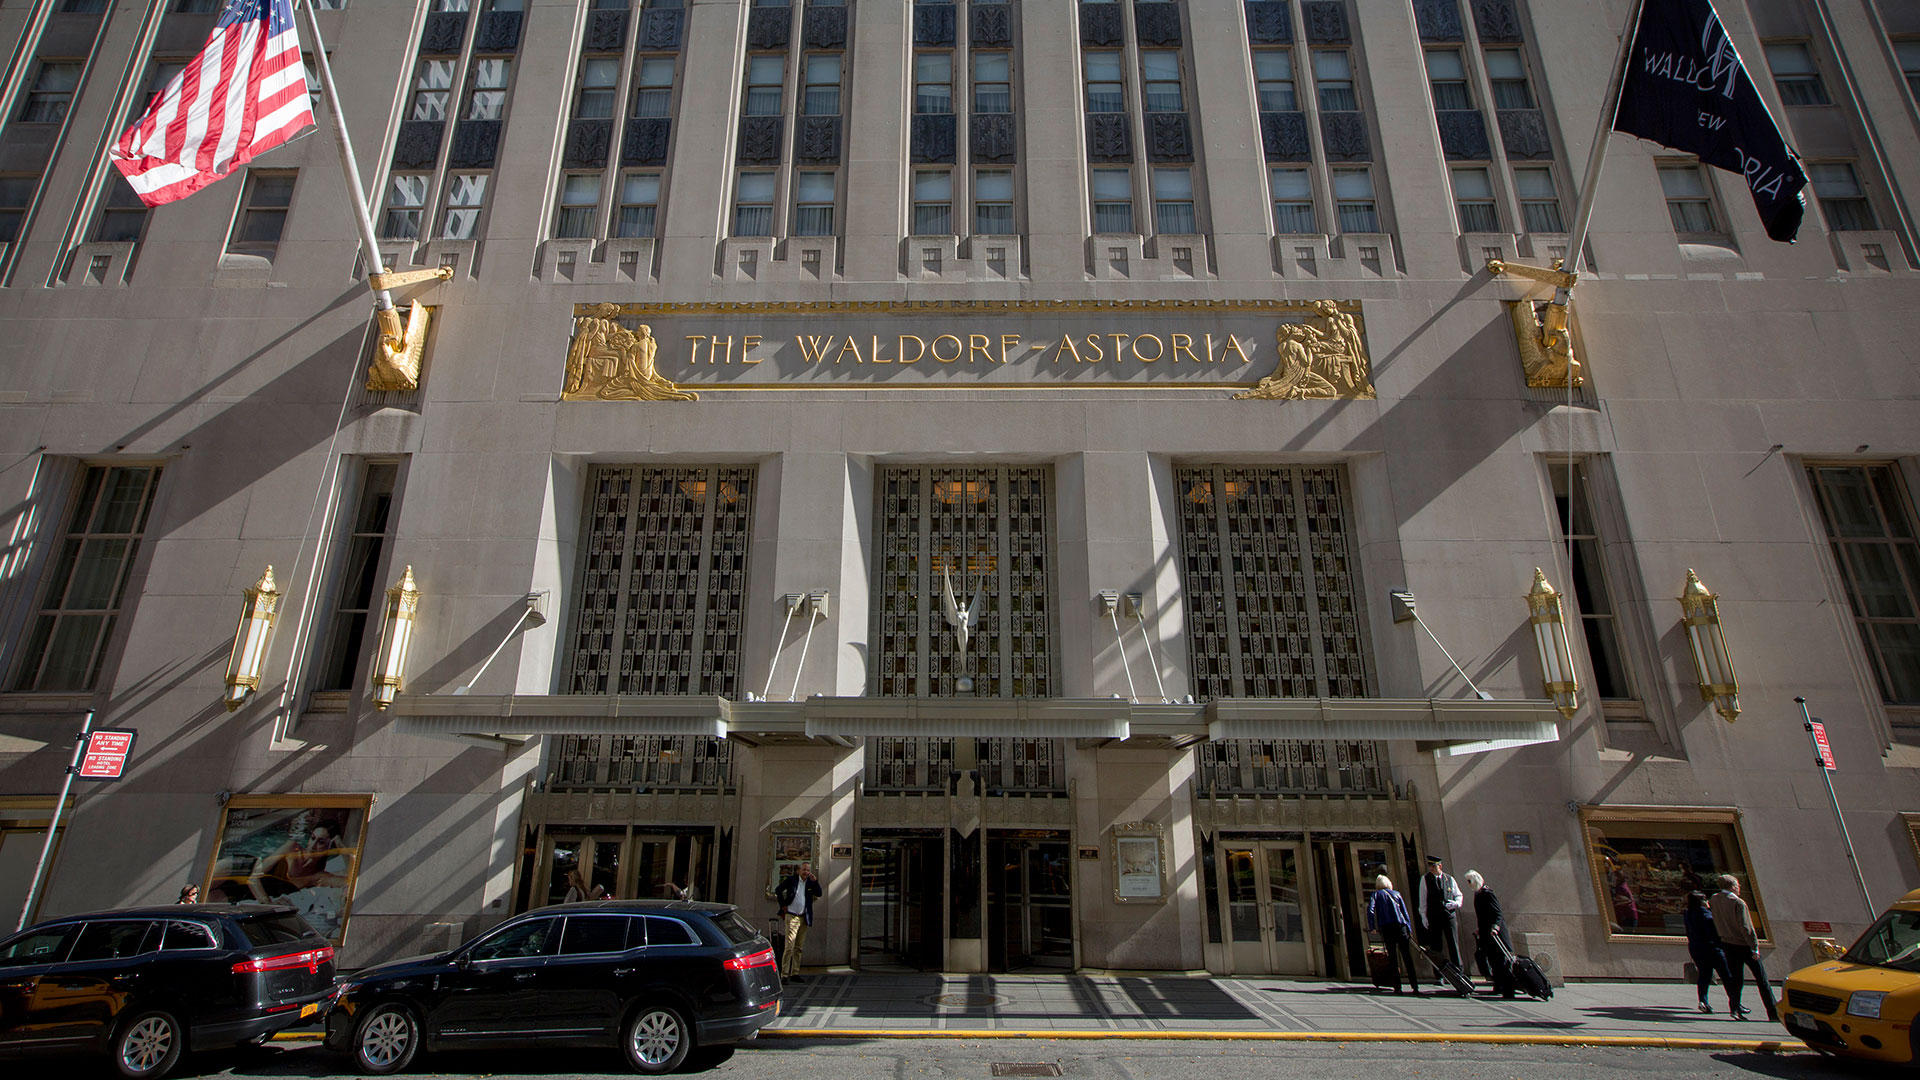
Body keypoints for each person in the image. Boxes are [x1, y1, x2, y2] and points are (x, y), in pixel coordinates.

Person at [1709, 875, 1777, 1021]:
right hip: (1743, 944)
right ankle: (1772, 1011)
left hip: (1727, 943)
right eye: (1738, 885)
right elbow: (1747, 928)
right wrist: (1754, 948)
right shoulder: (1738, 903)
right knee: (1761, 979)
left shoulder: (1714, 899)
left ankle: (1734, 1008)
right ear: (1733, 886)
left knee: (1736, 978)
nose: (1739, 888)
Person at [1463, 871, 1516, 999]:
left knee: (1502, 962)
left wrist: (1495, 927)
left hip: (1496, 934)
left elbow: (1498, 913)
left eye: (1469, 881)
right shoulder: (1478, 894)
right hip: (1487, 934)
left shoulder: (1487, 894)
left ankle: (1509, 990)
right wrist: (1480, 930)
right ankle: (1498, 986)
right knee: (1494, 962)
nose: (1468, 884)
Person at [1365, 874, 1421, 994]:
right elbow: (1404, 912)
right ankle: (1414, 986)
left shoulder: (1376, 895)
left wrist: (1372, 926)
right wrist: (1409, 928)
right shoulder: (1396, 894)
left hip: (1386, 927)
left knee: (1393, 957)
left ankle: (1397, 986)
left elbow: (1370, 910)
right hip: (1401, 927)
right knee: (1407, 956)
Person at [1684, 890, 1733, 1014]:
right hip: (1712, 949)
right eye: (1705, 900)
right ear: (1701, 901)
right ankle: (1735, 1002)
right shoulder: (1707, 916)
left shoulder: (1688, 914)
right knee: (1726, 976)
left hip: (1696, 948)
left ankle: (1703, 1000)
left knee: (1704, 975)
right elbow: (1713, 935)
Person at [773, 861, 822, 983]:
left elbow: (819, 893)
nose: (806, 872)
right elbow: (778, 890)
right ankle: (784, 974)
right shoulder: (792, 880)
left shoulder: (810, 882)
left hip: (804, 917)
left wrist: (815, 881)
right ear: (799, 871)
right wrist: (783, 904)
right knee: (789, 946)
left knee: (799, 947)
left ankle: (795, 972)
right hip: (792, 916)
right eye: (804, 869)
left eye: (808, 870)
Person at [1417, 855, 1466, 976]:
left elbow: (1458, 895)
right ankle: (1439, 974)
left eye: (1434, 866)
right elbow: (1423, 899)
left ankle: (1458, 971)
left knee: (1453, 944)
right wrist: (1423, 915)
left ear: (1440, 866)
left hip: (1449, 916)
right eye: (1430, 866)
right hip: (1434, 916)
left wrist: (1456, 903)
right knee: (1436, 946)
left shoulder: (1449, 879)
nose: (1432, 869)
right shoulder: (1425, 879)